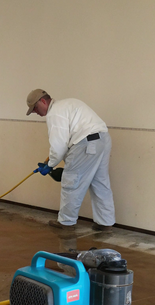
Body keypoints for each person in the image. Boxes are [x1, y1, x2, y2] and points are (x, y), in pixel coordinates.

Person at [26, 89, 115, 232]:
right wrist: (53, 162)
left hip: (86, 144)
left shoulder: (54, 113)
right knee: (100, 183)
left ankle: (66, 222)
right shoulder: (68, 103)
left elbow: (59, 146)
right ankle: (105, 223)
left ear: (43, 101)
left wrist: (50, 165)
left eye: (35, 108)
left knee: (71, 182)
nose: (35, 112)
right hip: (103, 139)